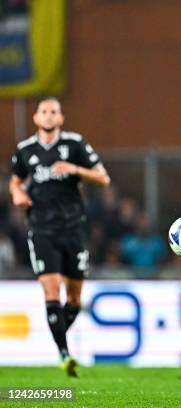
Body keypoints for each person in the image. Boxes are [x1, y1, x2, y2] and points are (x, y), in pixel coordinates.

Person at [9, 97, 111, 377]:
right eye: (44, 111)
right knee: (51, 290)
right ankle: (65, 355)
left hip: (73, 228)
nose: (49, 115)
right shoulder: (25, 150)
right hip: (41, 229)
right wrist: (17, 193)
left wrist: (75, 169)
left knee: (75, 298)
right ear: (36, 118)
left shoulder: (75, 145)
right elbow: (15, 179)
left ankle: (58, 335)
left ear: (61, 118)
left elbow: (103, 178)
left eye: (54, 111)